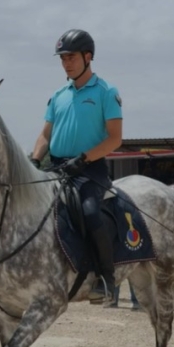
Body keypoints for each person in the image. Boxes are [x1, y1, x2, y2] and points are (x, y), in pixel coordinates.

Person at [30, 29, 123, 306]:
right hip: (56, 167)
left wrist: (83, 159)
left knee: (90, 212)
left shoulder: (107, 92)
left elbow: (115, 138)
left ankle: (106, 278)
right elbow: (45, 135)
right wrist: (35, 160)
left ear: (88, 56)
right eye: (62, 58)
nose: (66, 63)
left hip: (89, 169)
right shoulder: (58, 95)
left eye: (70, 57)